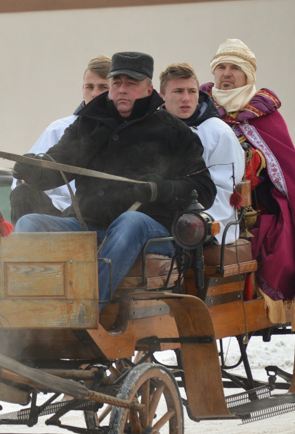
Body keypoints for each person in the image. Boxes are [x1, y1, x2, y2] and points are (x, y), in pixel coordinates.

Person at [13, 51, 215, 310]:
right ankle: (26, 312)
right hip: (89, 225)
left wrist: (161, 189)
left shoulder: (172, 130)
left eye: (131, 84)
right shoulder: (89, 123)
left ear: (149, 88)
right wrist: (34, 170)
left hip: (151, 231)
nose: (122, 90)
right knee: (30, 223)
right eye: (117, 83)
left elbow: (204, 190)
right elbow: (58, 165)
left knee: (130, 221)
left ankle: (83, 311)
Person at [200, 39, 295, 331]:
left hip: (257, 207)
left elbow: (286, 169)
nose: (225, 74)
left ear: (248, 76)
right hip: (204, 203)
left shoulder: (265, 116)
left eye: (234, 68)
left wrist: (253, 162)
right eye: (221, 67)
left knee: (265, 237)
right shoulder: (199, 109)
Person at [10, 55, 111, 223]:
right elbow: (22, 179)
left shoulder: (123, 131)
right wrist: (29, 174)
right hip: (55, 213)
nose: (94, 94)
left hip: (96, 215)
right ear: (82, 88)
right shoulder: (59, 128)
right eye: (89, 87)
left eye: (102, 87)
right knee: (22, 194)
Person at [159, 62, 244, 244]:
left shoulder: (219, 133)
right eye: (178, 91)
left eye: (192, 91)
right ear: (162, 97)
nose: (186, 98)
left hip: (208, 223)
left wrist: (190, 222)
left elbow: (223, 191)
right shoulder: (151, 130)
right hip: (161, 218)